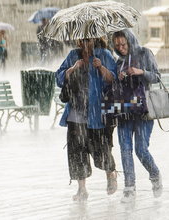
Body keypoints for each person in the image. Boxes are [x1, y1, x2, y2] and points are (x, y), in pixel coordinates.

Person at [56, 37, 118, 201]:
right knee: (77, 153)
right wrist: (72, 68)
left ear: (95, 39)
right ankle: (82, 189)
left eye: (88, 39)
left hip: (96, 113)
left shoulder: (103, 54)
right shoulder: (73, 55)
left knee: (101, 149)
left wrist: (101, 67)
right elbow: (59, 78)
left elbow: (114, 79)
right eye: (82, 39)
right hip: (75, 114)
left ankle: (111, 174)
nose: (85, 43)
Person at [111, 29, 163, 203]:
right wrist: (118, 78)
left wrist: (141, 72)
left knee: (141, 150)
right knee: (125, 150)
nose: (121, 48)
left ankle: (154, 174)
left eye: (123, 44)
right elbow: (114, 86)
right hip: (124, 110)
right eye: (117, 45)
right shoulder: (118, 62)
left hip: (143, 110)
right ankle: (129, 188)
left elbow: (157, 77)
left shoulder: (144, 53)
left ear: (130, 41)